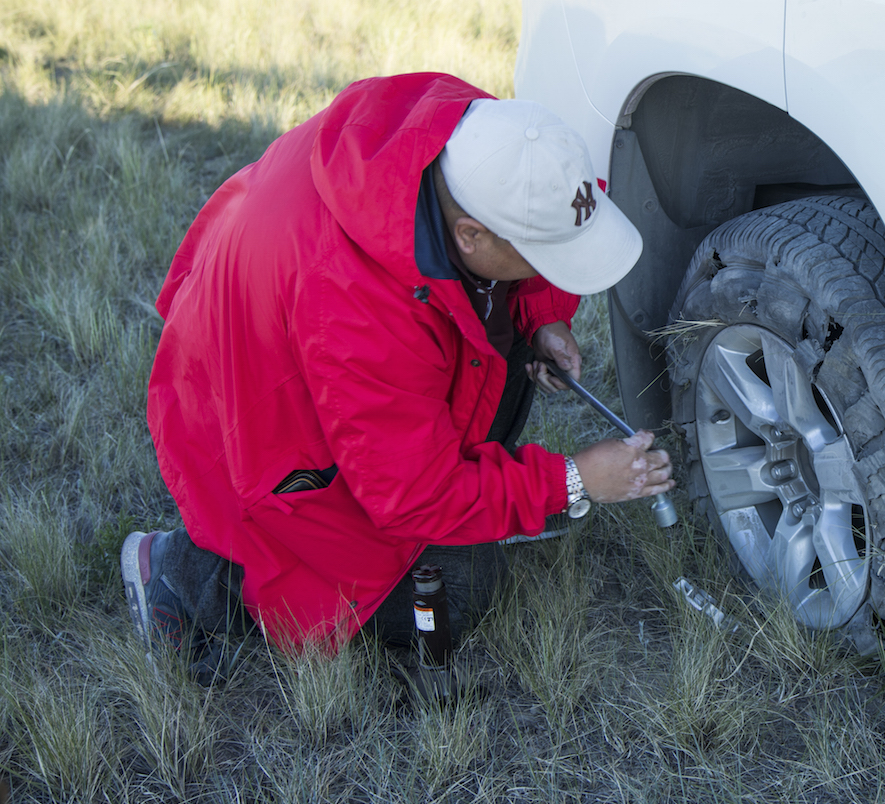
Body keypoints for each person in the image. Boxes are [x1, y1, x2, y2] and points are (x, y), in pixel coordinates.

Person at [120, 72, 673, 683]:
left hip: (316, 354)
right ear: (471, 235)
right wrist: (573, 480)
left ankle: (472, 491)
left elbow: (546, 221)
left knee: (494, 397)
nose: (555, 270)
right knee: (452, 595)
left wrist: (541, 316)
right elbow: (415, 496)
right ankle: (187, 575)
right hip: (253, 427)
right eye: (543, 260)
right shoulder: (356, 311)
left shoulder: (487, 140)